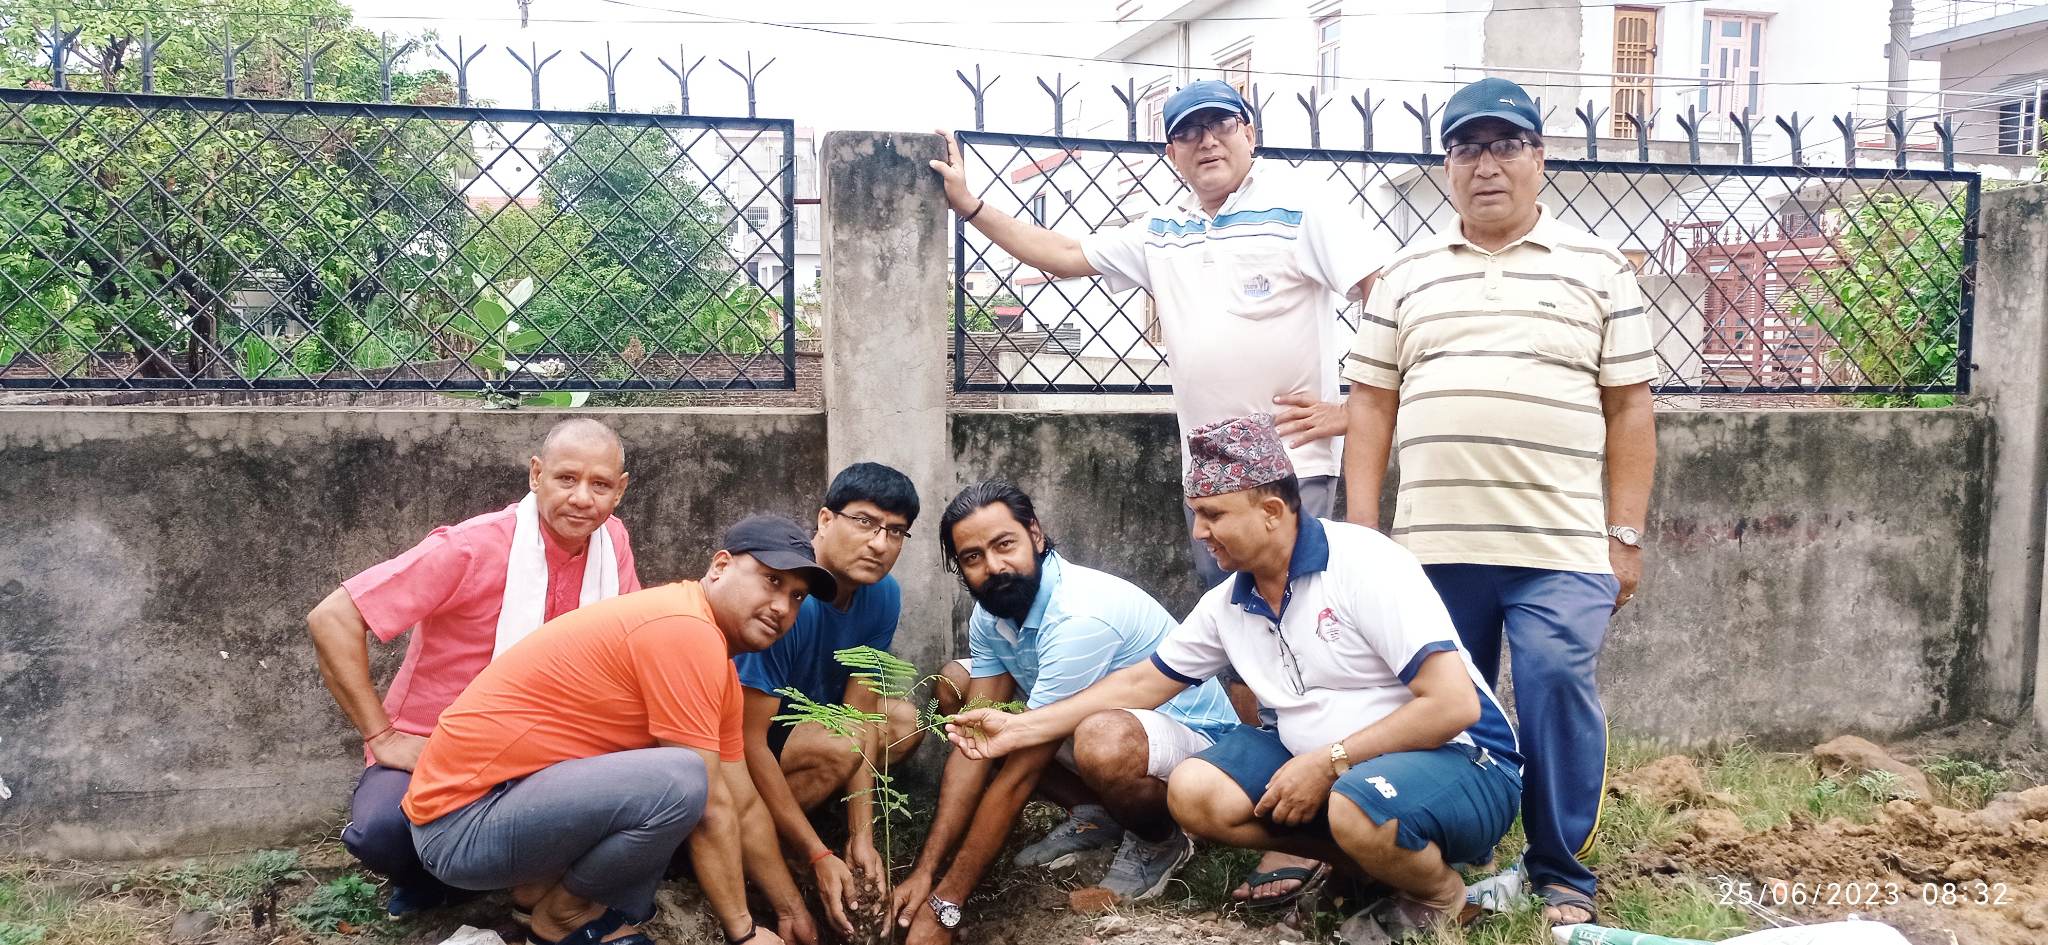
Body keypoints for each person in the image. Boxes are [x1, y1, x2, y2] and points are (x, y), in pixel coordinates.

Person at [929, 78, 1381, 902]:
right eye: (1188, 133)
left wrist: (1355, 408)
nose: (1207, 142)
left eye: (1221, 126)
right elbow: (1062, 255)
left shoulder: (1303, 207)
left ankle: (1324, 825)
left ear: (1250, 133)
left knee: (1315, 648)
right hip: (1206, 490)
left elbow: (1384, 293)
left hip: (1294, 484)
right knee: (1250, 651)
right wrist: (971, 206)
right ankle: (1270, 805)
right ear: (1170, 151)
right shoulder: (1162, 231)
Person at [949, 414, 1525, 940]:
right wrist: (1019, 730)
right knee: (1196, 794)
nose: (1199, 532)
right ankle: (1363, 866)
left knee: (1352, 803)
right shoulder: (1230, 600)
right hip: (1335, 770)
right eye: (1197, 513)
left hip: (1464, 761)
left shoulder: (1364, 565)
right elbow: (1138, 684)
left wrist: (1329, 762)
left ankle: (1445, 895)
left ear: (1272, 510)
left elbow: (1453, 706)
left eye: (1213, 514)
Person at [1339, 76, 1659, 927]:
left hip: (1560, 544)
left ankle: (1560, 871)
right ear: (1447, 164)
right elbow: (1371, 403)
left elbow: (1630, 407)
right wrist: (1363, 533)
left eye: (1505, 145)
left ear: (1539, 159)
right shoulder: (1403, 275)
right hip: (1432, 550)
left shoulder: (1600, 269)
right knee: (1440, 707)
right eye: (1467, 147)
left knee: (1555, 681)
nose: (1487, 164)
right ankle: (1444, 851)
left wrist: (1623, 533)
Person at [403, 515, 840, 945]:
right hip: (460, 828)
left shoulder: (715, 661)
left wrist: (790, 909)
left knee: (679, 792)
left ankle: (540, 894)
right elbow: (710, 806)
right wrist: (742, 932)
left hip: (505, 810)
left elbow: (741, 802)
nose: (783, 607)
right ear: (720, 566)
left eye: (798, 596)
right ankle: (564, 914)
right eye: (771, 580)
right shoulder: (684, 629)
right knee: (682, 779)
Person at [306, 418, 640, 916]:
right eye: (566, 479)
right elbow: (332, 617)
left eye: (600, 485)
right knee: (383, 833)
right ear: (535, 475)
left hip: (548, 745)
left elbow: (628, 642)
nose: (582, 498)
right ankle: (432, 879)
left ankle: (515, 879)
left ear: (620, 491)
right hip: (436, 742)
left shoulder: (611, 544)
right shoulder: (472, 546)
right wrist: (382, 736)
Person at [891, 480, 1240, 945]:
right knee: (957, 690)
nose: (994, 567)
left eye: (1004, 544)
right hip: (1096, 722)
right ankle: (1097, 813)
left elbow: (1019, 769)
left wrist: (947, 902)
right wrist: (925, 871)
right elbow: (976, 742)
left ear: (1035, 535)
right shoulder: (991, 615)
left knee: (1101, 739)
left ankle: (1159, 841)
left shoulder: (1079, 617)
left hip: (1201, 747)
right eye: (973, 557)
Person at [735, 463, 928, 939]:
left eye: (896, 531)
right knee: (838, 743)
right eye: (864, 521)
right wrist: (818, 855)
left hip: (818, 730)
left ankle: (812, 832)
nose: (880, 544)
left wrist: (861, 835)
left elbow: (859, 713)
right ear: (824, 520)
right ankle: (759, 853)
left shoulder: (882, 595)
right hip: (740, 754)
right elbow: (744, 740)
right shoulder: (786, 594)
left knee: (904, 720)